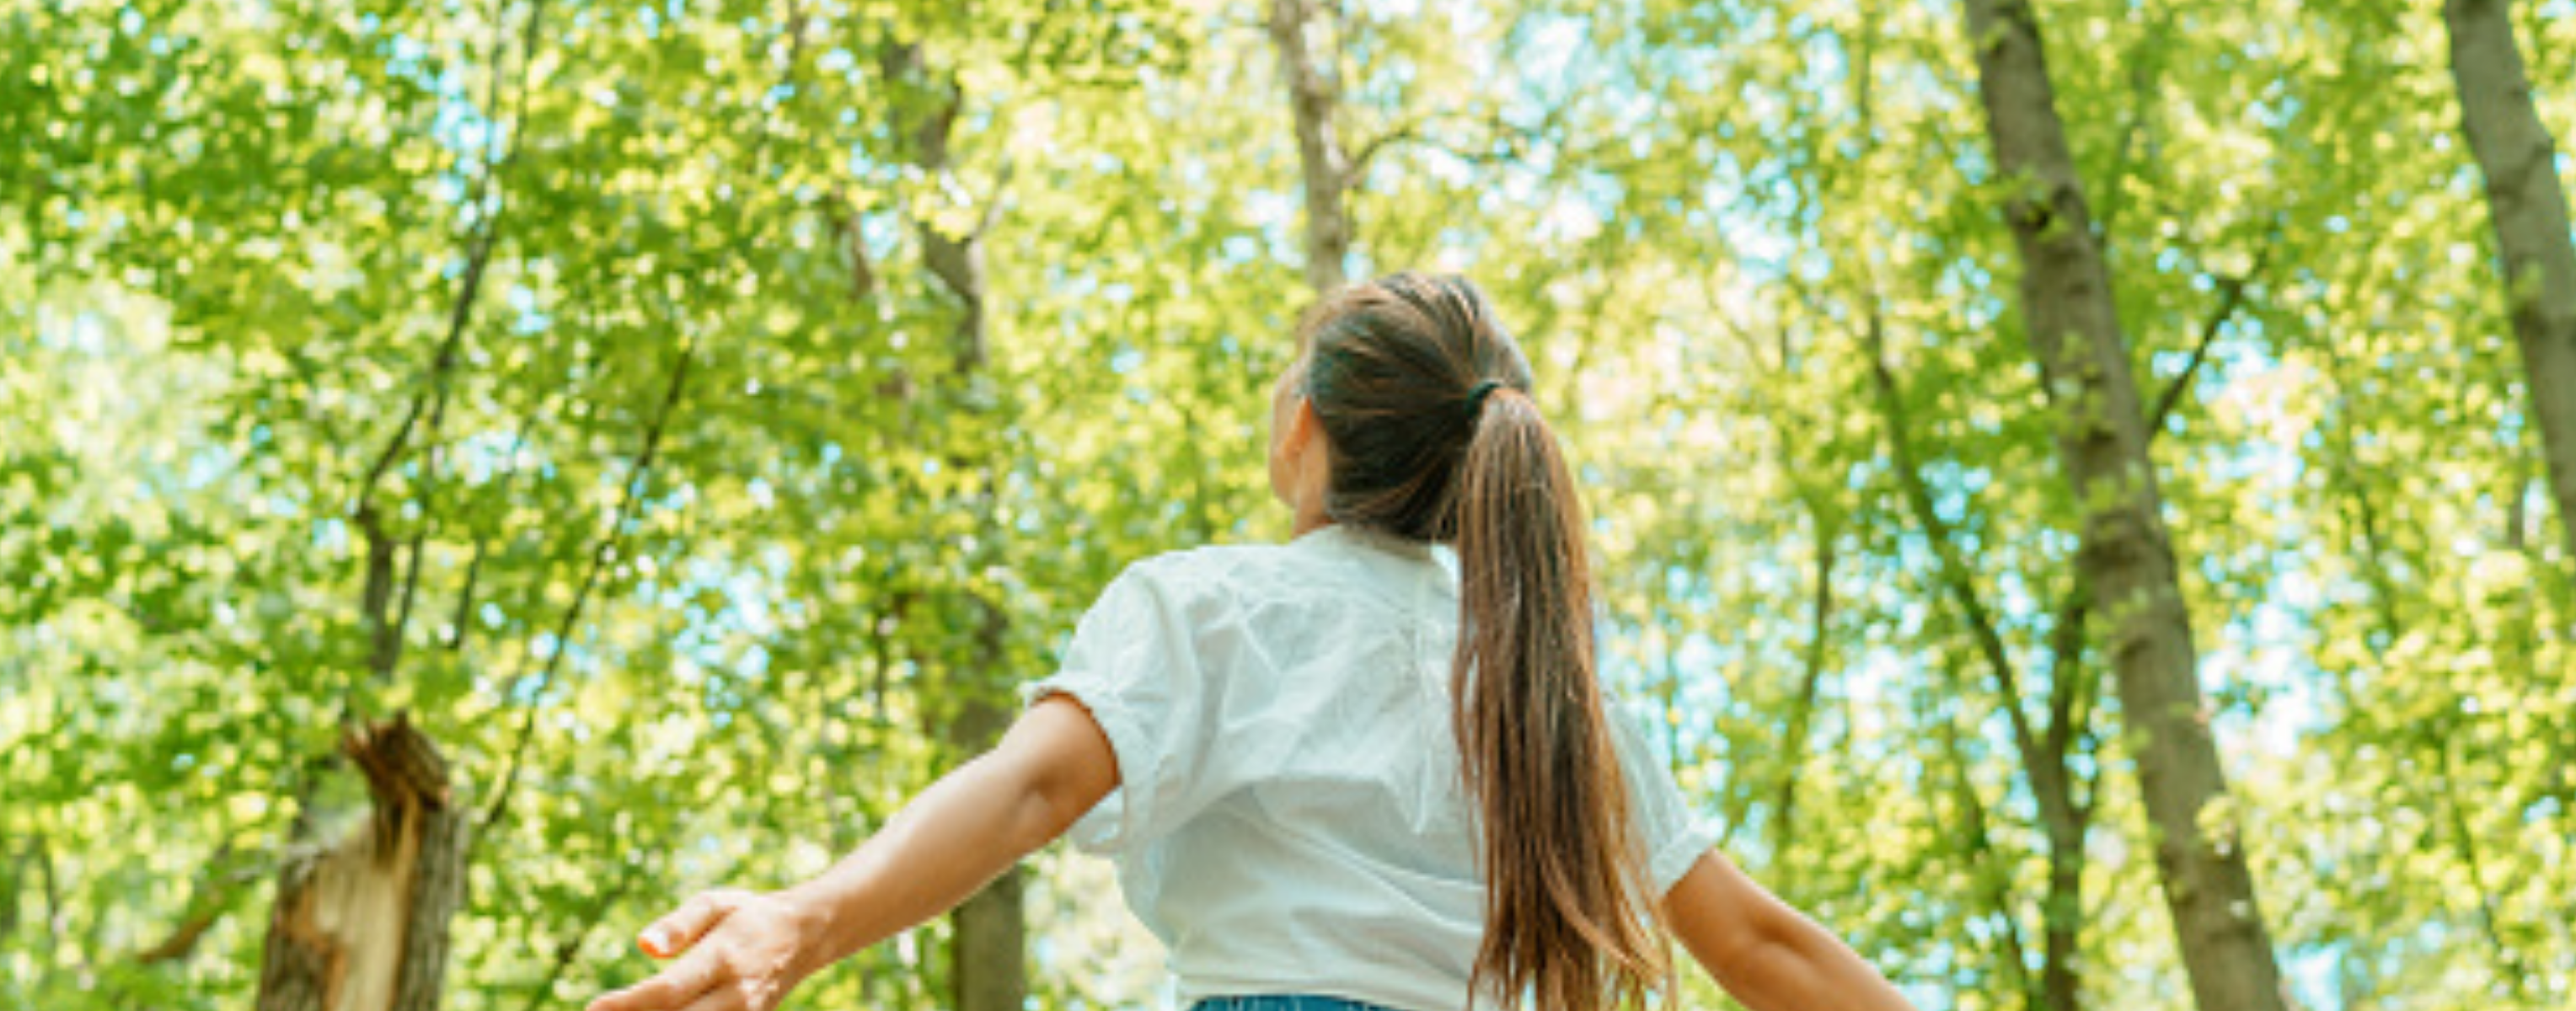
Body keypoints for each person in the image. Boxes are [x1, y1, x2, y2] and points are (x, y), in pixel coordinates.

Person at [589, 273, 1916, 1011]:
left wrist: (803, 922)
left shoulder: (1212, 608)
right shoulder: (1556, 701)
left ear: (1302, 430)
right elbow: (1759, 949)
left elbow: (1034, 788)